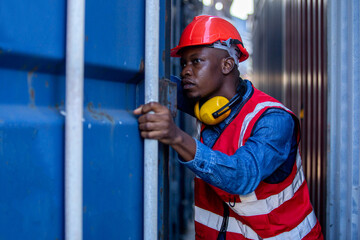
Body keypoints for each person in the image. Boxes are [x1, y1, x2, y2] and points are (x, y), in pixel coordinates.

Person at [134, 15, 323, 239]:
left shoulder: (273, 120)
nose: (186, 70)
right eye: (183, 63)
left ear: (227, 64)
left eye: (196, 61)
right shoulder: (207, 103)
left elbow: (243, 176)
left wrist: (176, 137)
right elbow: (162, 84)